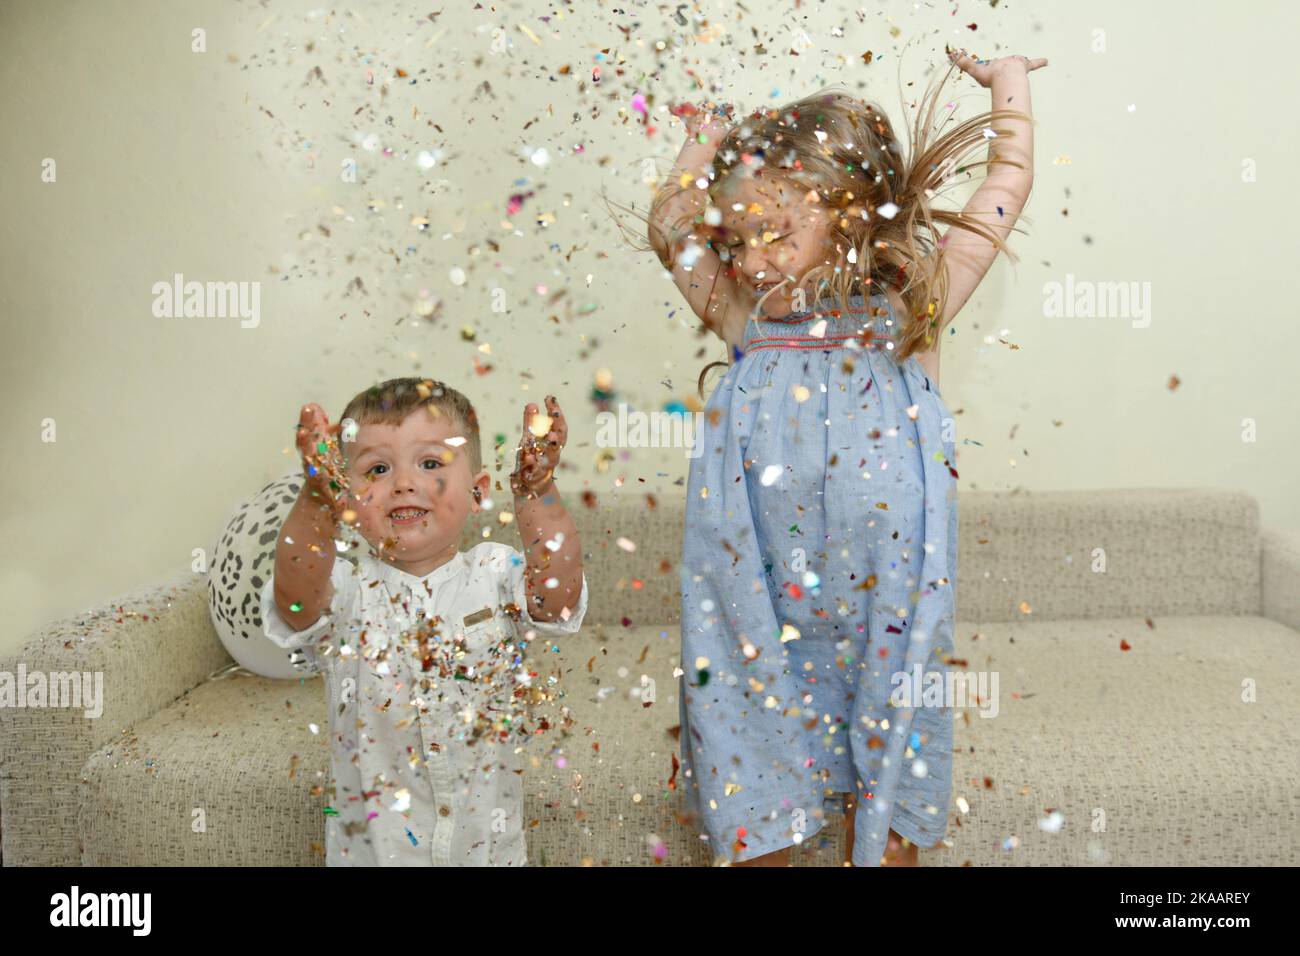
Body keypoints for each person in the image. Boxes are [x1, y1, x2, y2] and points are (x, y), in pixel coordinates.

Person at [644, 48, 1047, 866]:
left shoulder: (910, 311)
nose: (752, 258)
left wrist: (1009, 84)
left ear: (853, 215)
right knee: (747, 726)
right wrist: (706, 131)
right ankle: (764, 830)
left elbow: (1006, 186)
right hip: (757, 596)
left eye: (776, 233)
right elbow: (667, 223)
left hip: (884, 597)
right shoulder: (741, 315)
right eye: (738, 236)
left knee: (898, 730)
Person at [261, 376, 587, 865]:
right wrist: (315, 500)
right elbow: (295, 601)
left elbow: (557, 599)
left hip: (487, 852)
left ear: (478, 493)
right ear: (347, 499)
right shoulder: (348, 593)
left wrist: (537, 491)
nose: (404, 483)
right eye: (377, 469)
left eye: (430, 463)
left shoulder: (495, 575)